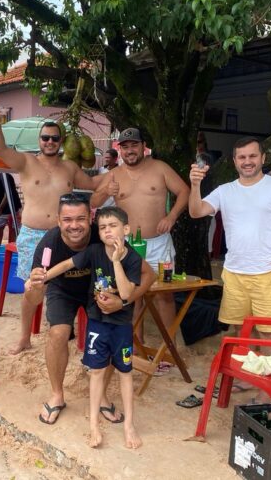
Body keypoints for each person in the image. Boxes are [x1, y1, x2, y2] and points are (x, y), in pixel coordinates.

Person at [25, 193, 155, 429]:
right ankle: (57, 394)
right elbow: (35, 297)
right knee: (58, 333)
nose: (74, 225)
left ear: (91, 219)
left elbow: (149, 275)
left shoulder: (105, 235)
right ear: (58, 220)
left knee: (109, 332)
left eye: (81, 219)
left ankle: (102, 395)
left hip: (100, 291)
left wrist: (124, 302)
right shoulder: (48, 244)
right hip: (62, 290)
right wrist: (33, 285)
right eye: (67, 219)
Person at [189, 136, 271, 403]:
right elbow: (196, 212)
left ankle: (269, 390)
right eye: (242, 157)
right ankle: (245, 379)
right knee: (240, 331)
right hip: (236, 272)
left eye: (252, 156)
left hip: (269, 273)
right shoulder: (225, 190)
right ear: (234, 161)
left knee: (268, 332)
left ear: (262, 158)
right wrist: (195, 185)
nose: (247, 162)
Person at [0, 100, 95, 354]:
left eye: (54, 138)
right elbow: (1, 149)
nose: (50, 142)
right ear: (40, 140)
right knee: (33, 287)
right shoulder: (26, 162)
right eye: (45, 138)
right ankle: (24, 337)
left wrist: (117, 178)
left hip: (65, 235)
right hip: (33, 235)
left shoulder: (70, 167)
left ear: (61, 141)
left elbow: (93, 184)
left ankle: (69, 332)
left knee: (69, 282)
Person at [43, 206, 143, 449]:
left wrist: (117, 262)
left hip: (121, 326)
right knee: (96, 372)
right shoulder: (94, 251)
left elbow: (128, 292)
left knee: (125, 373)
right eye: (103, 227)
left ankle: (129, 425)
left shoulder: (133, 258)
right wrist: (41, 277)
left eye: (113, 226)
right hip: (97, 323)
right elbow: (67, 264)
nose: (108, 231)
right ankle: (94, 427)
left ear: (126, 229)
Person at [91, 128, 190, 332]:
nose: (130, 150)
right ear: (119, 150)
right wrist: (106, 192)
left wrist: (171, 216)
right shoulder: (114, 174)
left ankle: (168, 347)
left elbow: (184, 191)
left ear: (144, 146)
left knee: (165, 294)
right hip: (127, 245)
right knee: (132, 295)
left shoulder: (160, 168)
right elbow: (93, 201)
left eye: (134, 145)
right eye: (125, 147)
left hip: (160, 242)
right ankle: (136, 346)